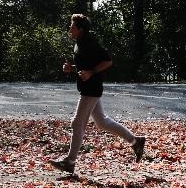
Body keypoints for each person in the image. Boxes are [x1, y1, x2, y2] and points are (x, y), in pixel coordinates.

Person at [50, 13, 146, 173]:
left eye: (72, 26)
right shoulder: (79, 43)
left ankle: (70, 161)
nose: (69, 28)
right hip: (87, 88)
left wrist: (92, 72)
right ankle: (135, 141)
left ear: (80, 29)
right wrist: (71, 69)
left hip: (91, 89)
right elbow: (84, 68)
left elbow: (108, 61)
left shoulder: (90, 42)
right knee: (101, 122)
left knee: (77, 123)